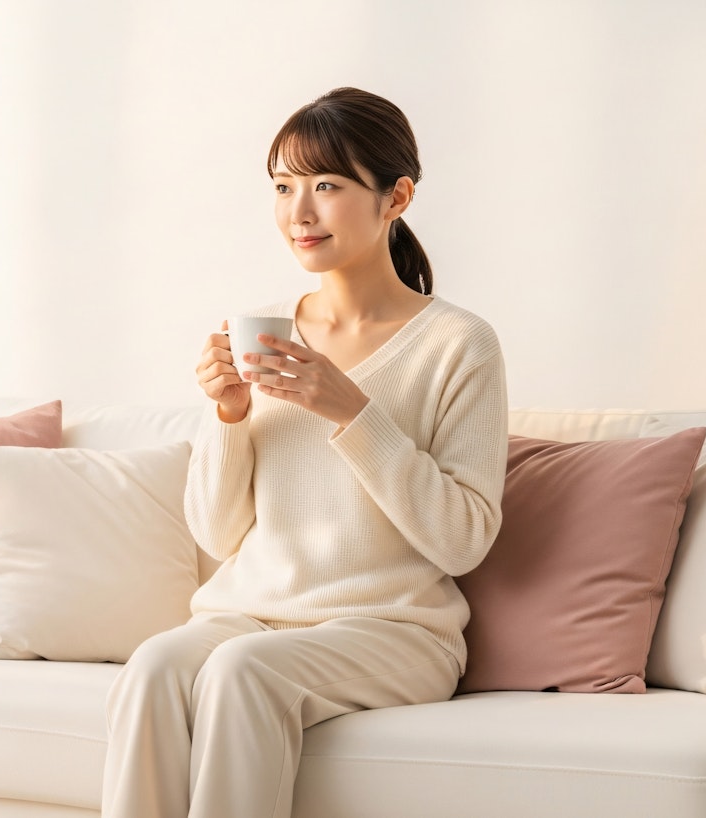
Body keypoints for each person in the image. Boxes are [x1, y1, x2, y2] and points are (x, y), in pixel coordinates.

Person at [101, 87, 509, 818]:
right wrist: (227, 414)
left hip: (394, 630)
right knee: (157, 665)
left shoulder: (458, 344)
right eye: (284, 187)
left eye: (327, 185)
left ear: (397, 196)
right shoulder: (265, 335)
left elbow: (463, 540)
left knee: (239, 674)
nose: (299, 211)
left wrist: (351, 409)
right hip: (251, 613)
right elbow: (217, 534)